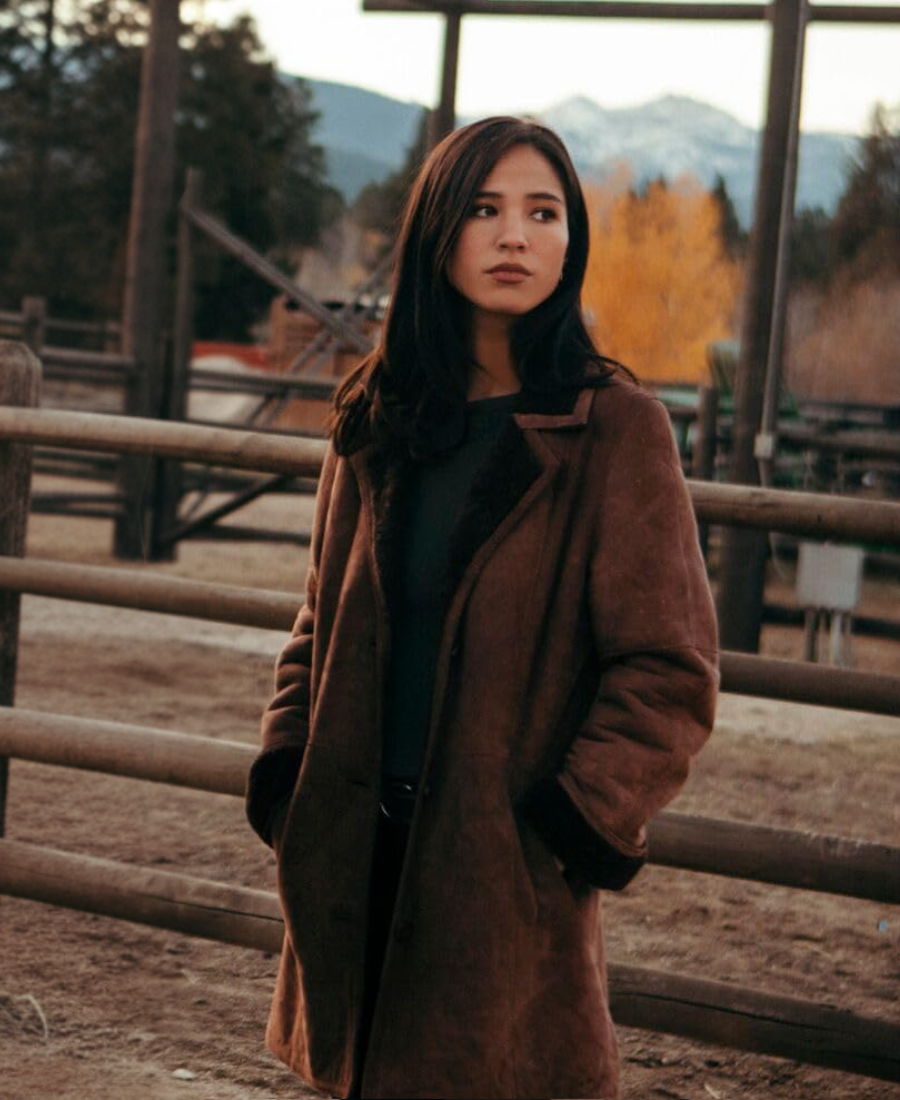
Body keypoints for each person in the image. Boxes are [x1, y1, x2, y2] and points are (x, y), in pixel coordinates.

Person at [246, 116, 719, 1100]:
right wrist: (289, 772)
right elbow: (314, 625)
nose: (516, 236)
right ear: (437, 234)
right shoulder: (375, 413)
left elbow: (670, 670)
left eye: (543, 212)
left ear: (569, 241)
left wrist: (563, 825)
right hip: (352, 860)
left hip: (500, 881)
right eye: (485, 208)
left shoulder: (614, 430)